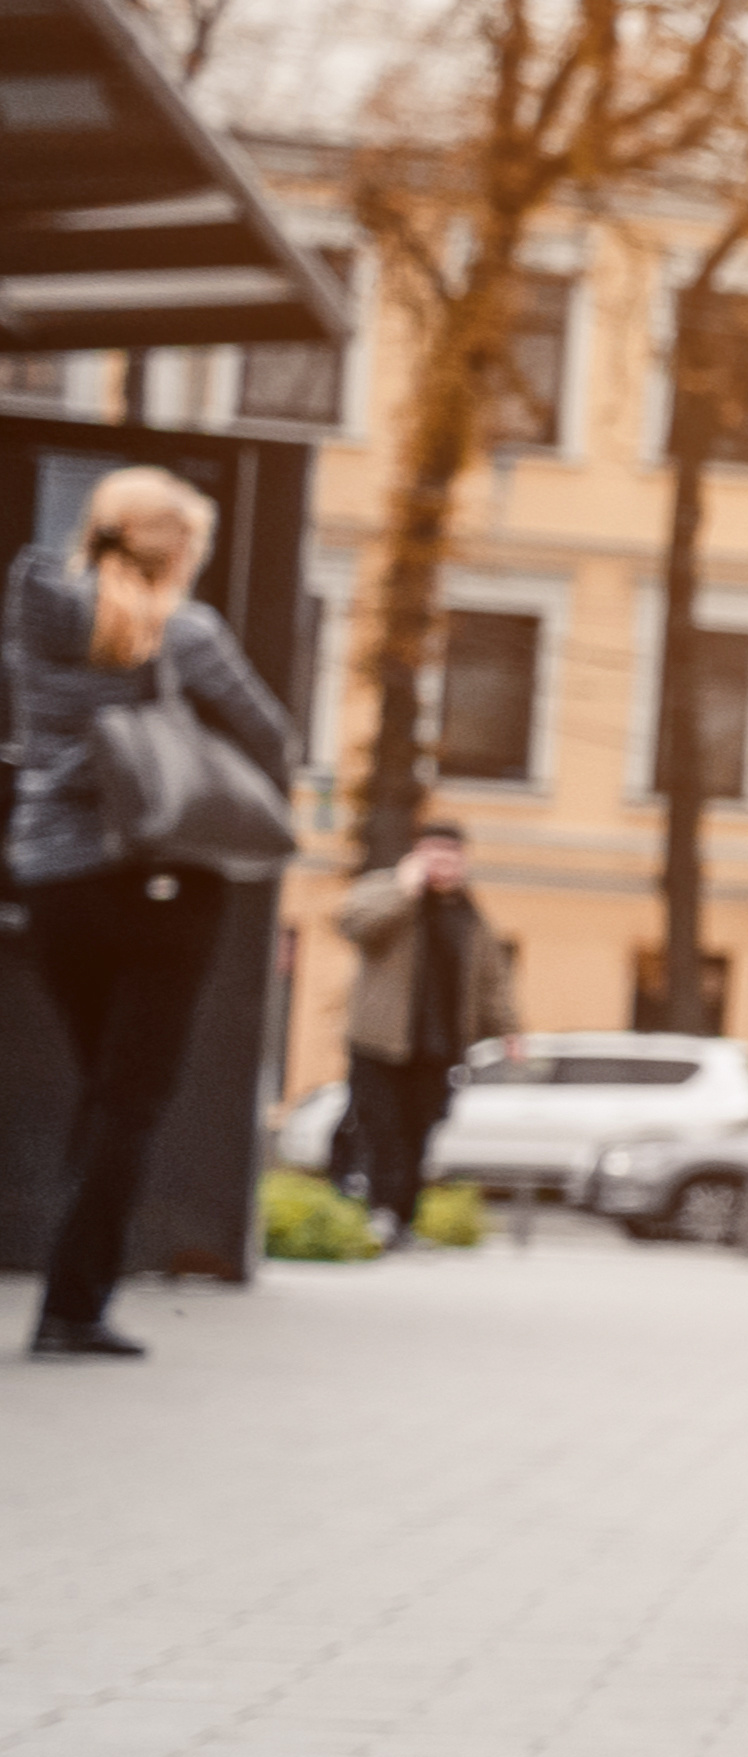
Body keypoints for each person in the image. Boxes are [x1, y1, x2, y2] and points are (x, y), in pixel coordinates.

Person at [15, 466, 297, 1363]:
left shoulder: (36, 616)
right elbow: (272, 738)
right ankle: (71, 1305)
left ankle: (70, 1284)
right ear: (177, 547)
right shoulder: (188, 632)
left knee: (102, 1088)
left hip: (53, 881)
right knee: (129, 1102)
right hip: (160, 883)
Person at [334, 819, 513, 1240]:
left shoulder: (468, 912)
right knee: (381, 1129)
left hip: (439, 1046)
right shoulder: (384, 890)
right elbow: (355, 927)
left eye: (451, 856)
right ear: (416, 855)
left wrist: (509, 1029)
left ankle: (403, 1219)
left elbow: (491, 975)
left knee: (420, 1133)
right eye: (433, 854)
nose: (443, 865)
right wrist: (405, 892)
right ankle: (379, 1211)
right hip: (379, 1042)